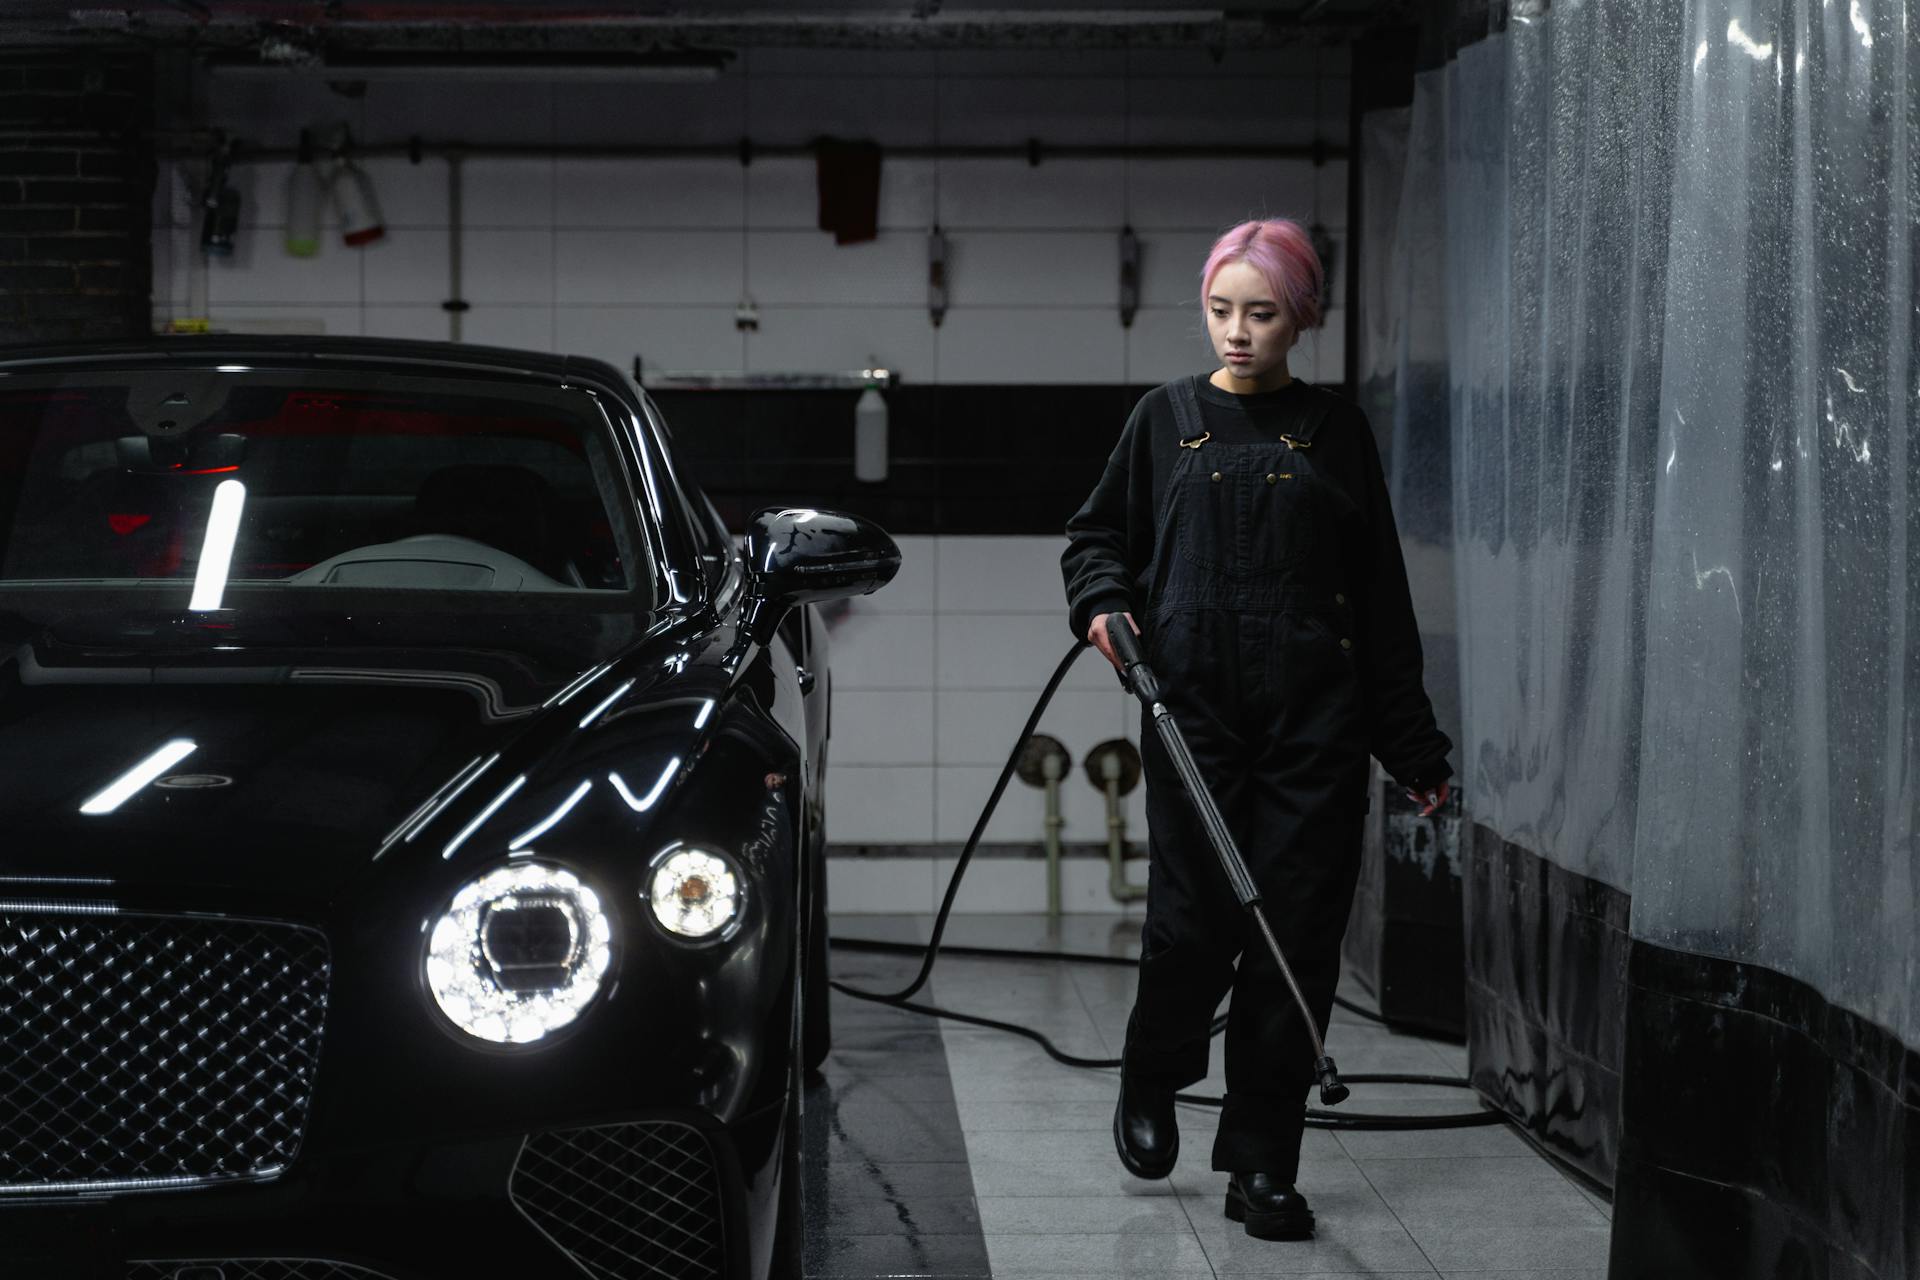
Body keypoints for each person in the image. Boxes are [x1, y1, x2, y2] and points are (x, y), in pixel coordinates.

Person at [1059, 218, 1453, 1242]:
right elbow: (1097, 539)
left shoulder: (1336, 434)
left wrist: (1412, 745)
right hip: (1194, 715)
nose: (1236, 330)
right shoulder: (1164, 420)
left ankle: (1263, 1165)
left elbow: (1377, 601)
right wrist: (1104, 602)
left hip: (1315, 725)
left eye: (1261, 312)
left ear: (1302, 317)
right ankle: (1153, 1070)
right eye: (1221, 308)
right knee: (1192, 926)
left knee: (1296, 944)